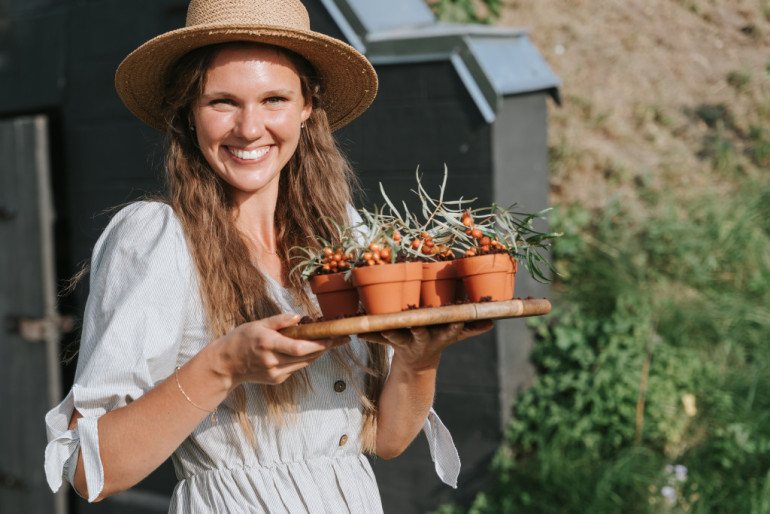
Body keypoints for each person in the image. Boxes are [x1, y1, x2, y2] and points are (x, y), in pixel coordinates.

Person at [43, 0, 493, 511]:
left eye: (274, 99)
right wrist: (223, 366)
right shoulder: (158, 238)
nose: (250, 128)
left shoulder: (342, 233)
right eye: (222, 102)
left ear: (308, 107)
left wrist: (420, 355)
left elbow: (386, 440)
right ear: (189, 113)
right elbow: (91, 472)